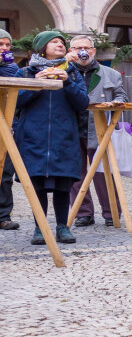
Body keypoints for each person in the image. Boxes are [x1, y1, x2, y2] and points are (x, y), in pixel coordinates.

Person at [14, 30, 89, 245]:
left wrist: (67, 82)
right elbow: (14, 102)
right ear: (42, 47)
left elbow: (83, 103)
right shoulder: (25, 73)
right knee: (37, 184)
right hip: (33, 138)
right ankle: (40, 228)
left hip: (63, 136)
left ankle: (63, 227)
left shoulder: (73, 72)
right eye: (54, 42)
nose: (60, 45)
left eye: (62, 43)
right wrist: (36, 84)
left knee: (62, 184)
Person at [67, 35, 127, 228]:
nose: (81, 51)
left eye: (85, 47)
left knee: (103, 172)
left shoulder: (110, 74)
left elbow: (120, 95)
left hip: (98, 128)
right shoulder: (63, 72)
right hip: (71, 128)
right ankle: (82, 213)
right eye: (77, 48)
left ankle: (111, 213)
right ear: (70, 51)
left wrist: (117, 102)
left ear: (93, 51)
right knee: (75, 174)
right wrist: (63, 66)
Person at [0, 28, 20, 231]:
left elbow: (15, 78)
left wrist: (4, 62)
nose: (4, 48)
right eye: (0, 44)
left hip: (5, 126)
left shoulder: (11, 66)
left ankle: (3, 215)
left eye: (7, 45)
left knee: (5, 173)